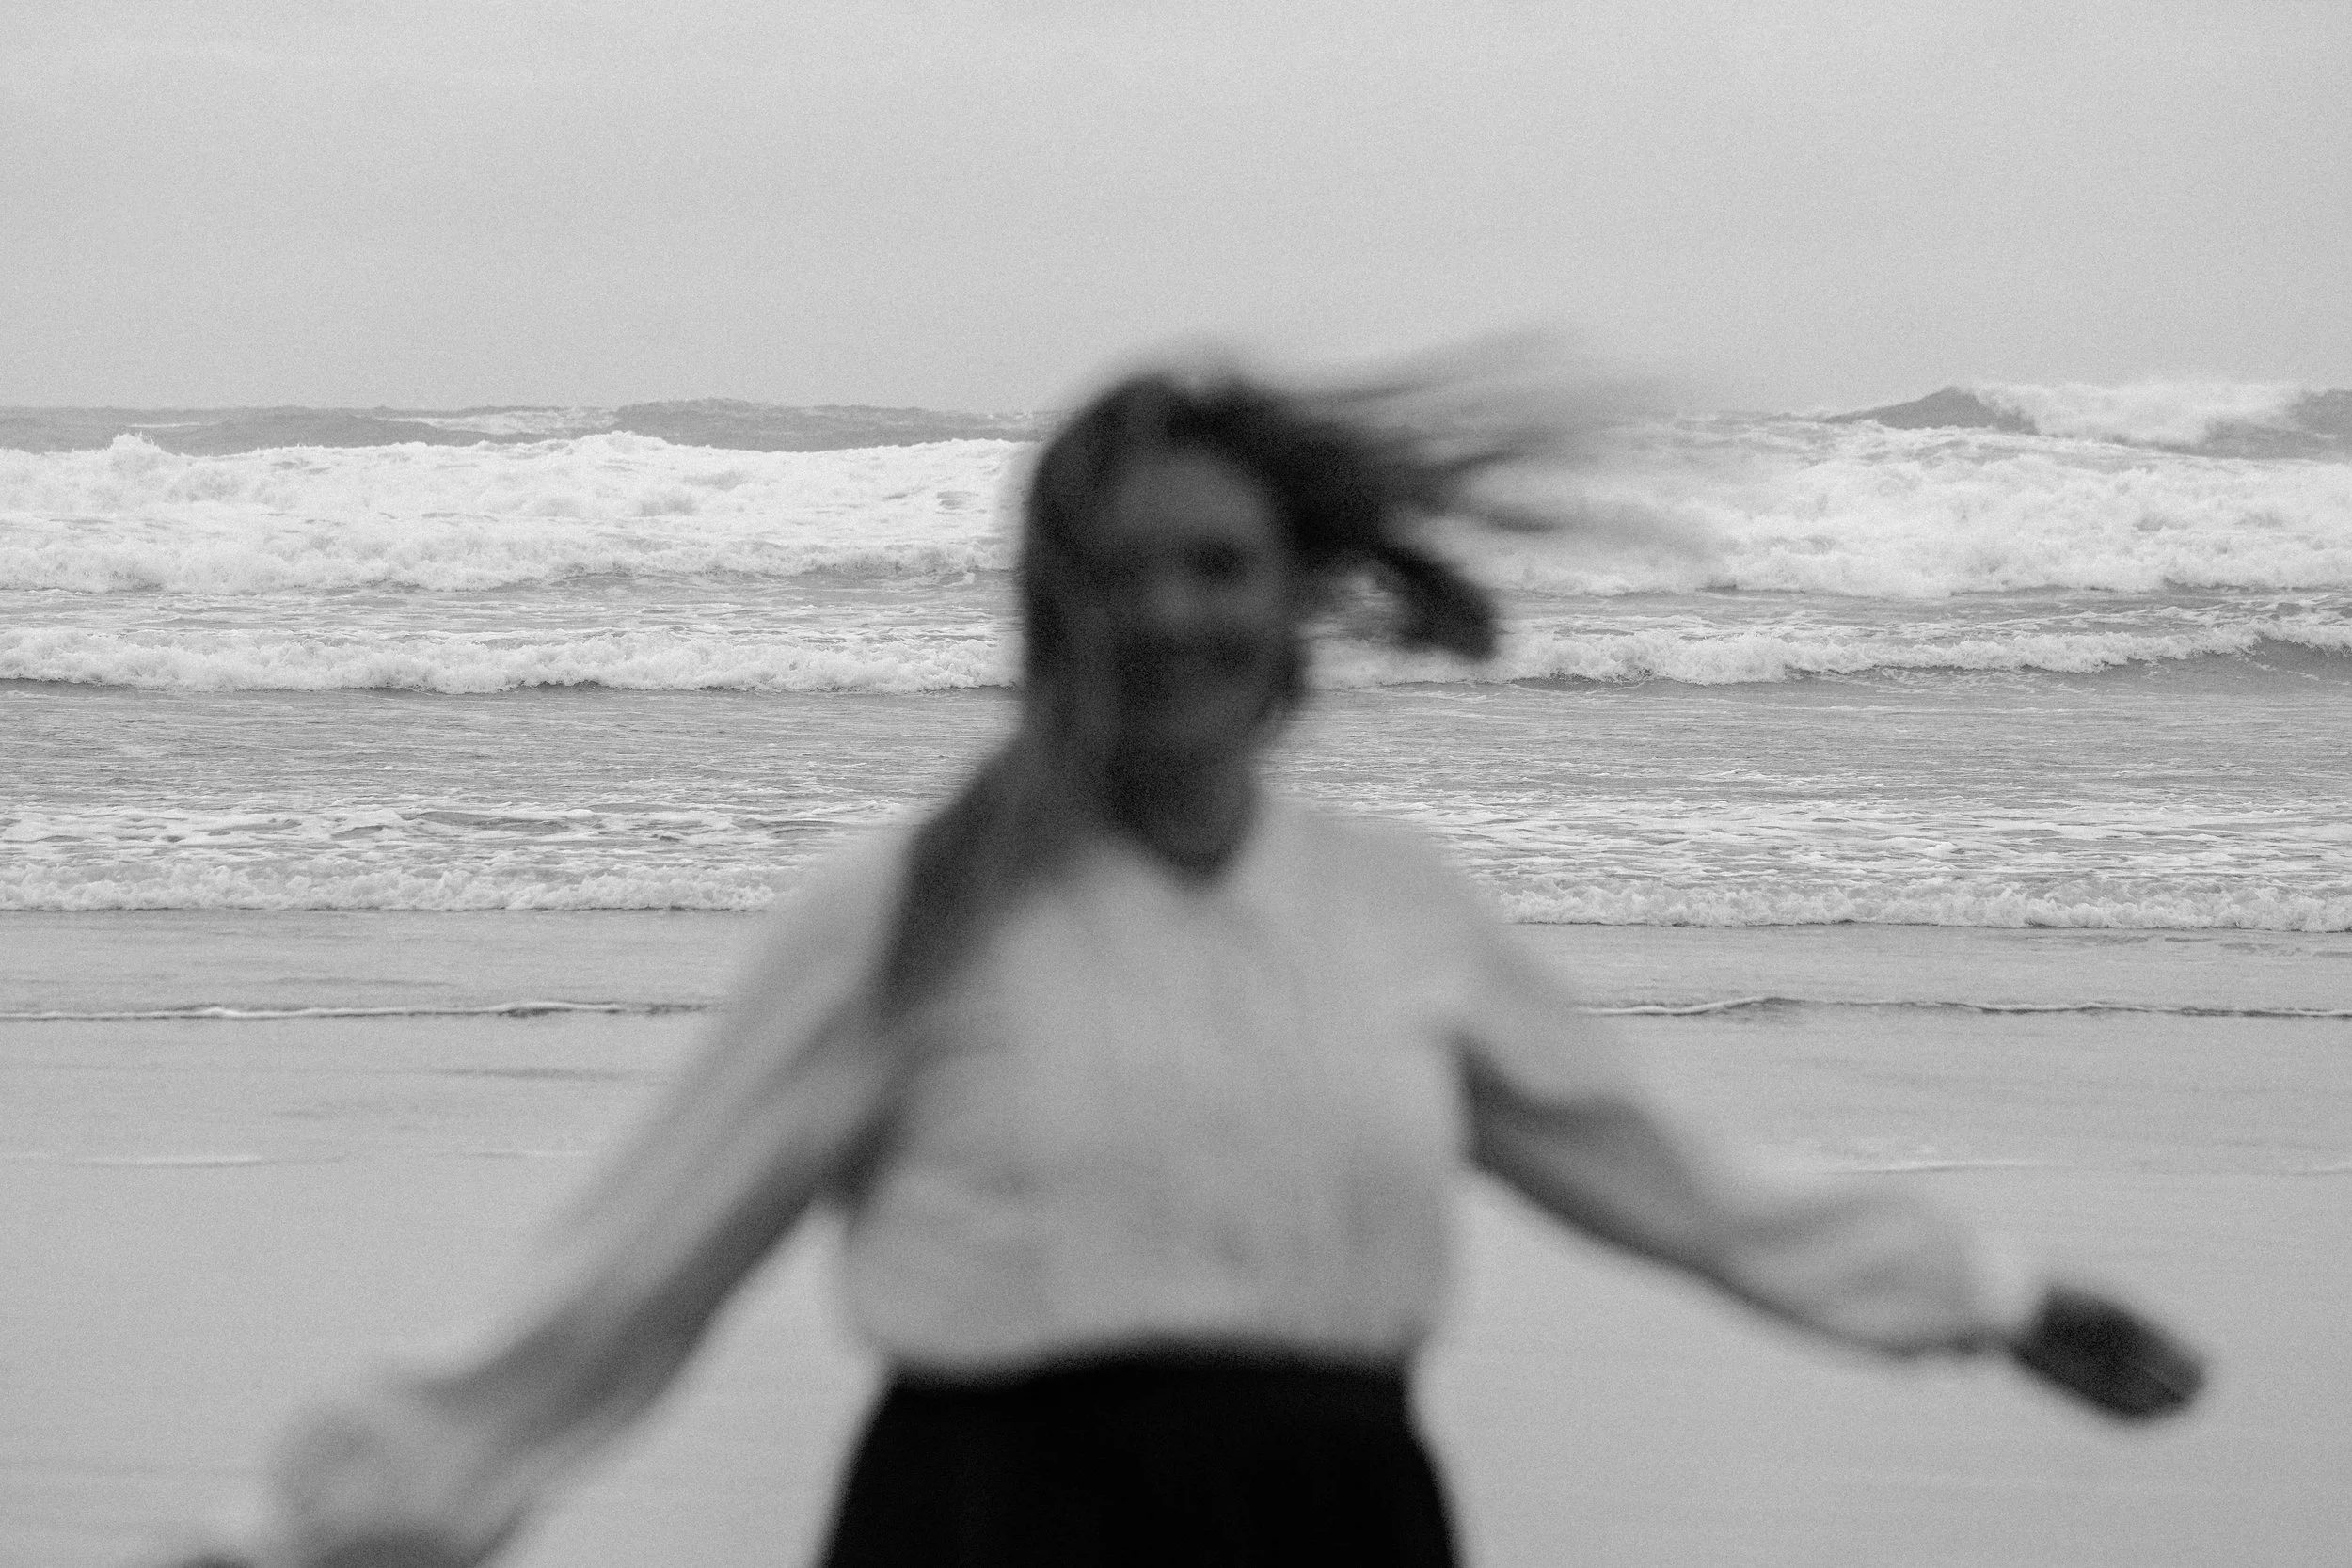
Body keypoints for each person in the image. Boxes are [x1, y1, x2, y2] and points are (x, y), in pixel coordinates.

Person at [174, 359, 2204, 1568]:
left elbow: (1670, 1175)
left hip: (1342, 1520)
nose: (1170, 613)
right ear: (1051, 606)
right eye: (1118, 568)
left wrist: (1990, 1295)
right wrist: (316, 1532)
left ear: (1295, 597)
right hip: (991, 1522)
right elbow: (629, 1272)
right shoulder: (911, 909)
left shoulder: (1399, 910)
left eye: (1216, 563)